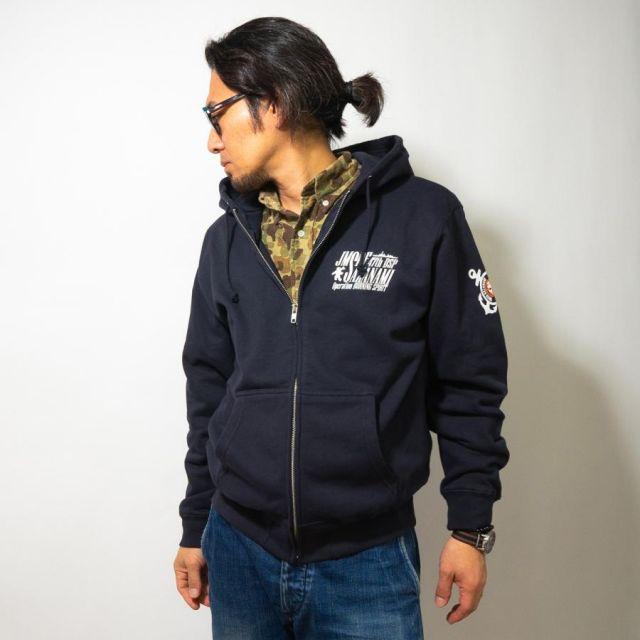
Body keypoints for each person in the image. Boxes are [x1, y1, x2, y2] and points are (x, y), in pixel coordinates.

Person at [173, 16, 510, 639]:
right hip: (239, 547)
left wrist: (470, 528)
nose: (211, 141)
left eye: (216, 113)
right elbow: (208, 391)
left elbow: (469, 380)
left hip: (368, 561)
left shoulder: (424, 218)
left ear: (274, 102)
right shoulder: (225, 241)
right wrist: (196, 526)